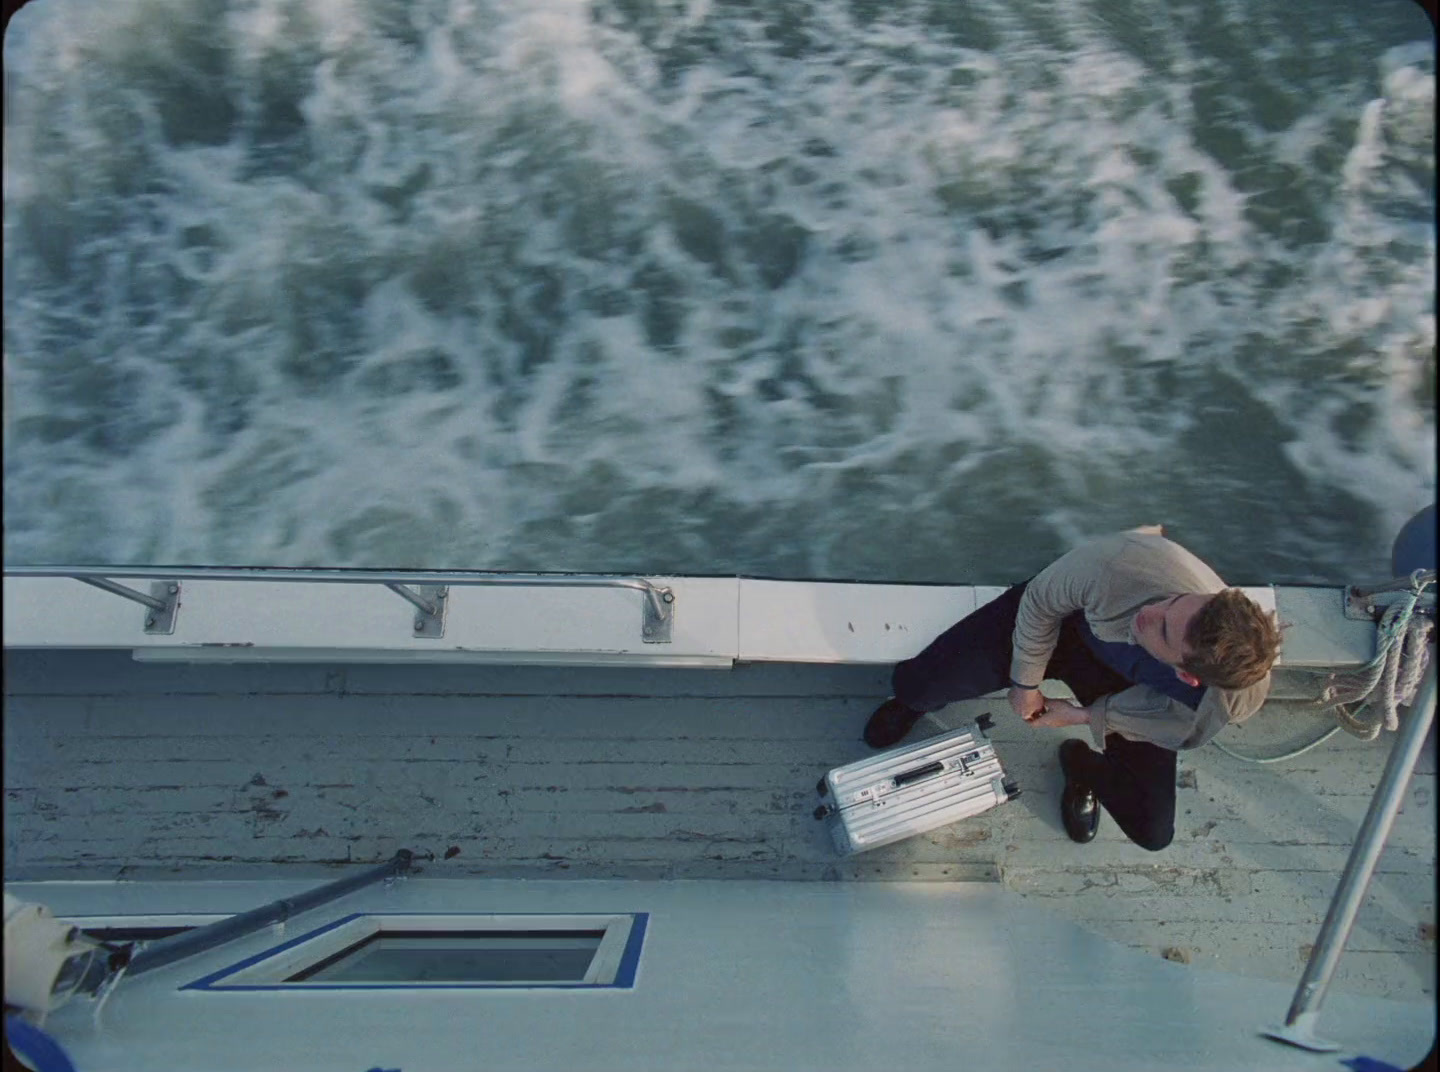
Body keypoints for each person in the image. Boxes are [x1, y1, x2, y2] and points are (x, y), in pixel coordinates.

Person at [862, 526, 1282, 850]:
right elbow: (1041, 602)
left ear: (1189, 676)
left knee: (1152, 830)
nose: (1150, 612)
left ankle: (1081, 767)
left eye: (1164, 629)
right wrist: (1025, 684)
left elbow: (1174, 720)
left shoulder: (1230, 695)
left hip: (1119, 679)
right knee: (918, 684)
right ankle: (910, 703)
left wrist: (1086, 716)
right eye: (1174, 602)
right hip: (1062, 623)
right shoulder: (1117, 563)